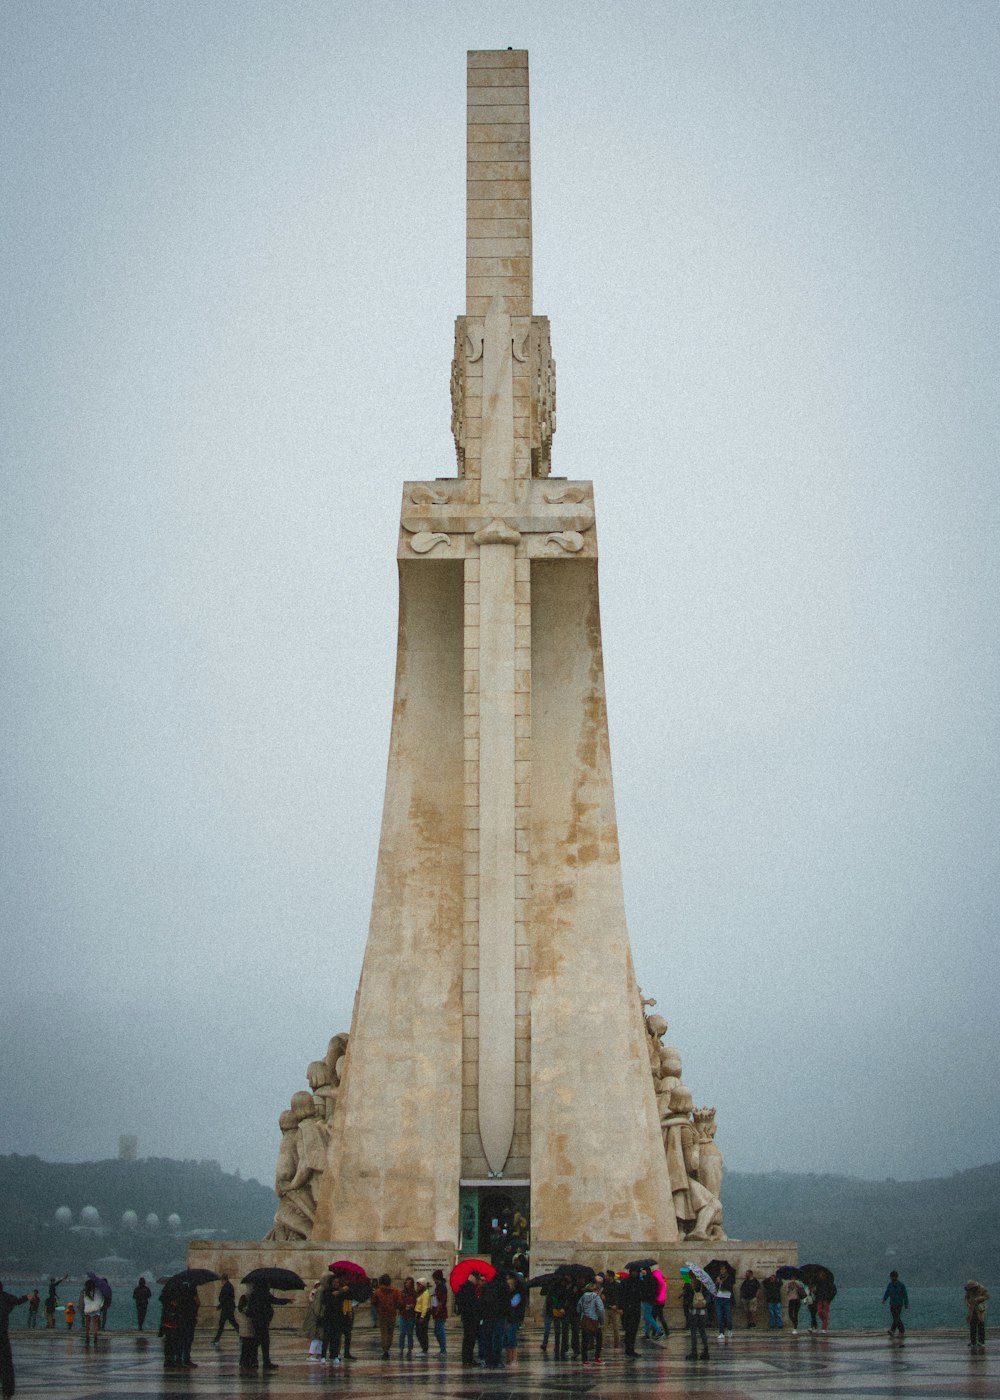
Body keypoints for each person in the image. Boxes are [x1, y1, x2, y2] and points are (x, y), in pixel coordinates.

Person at [0, 1283, 28, 1400]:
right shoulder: (5, 1297)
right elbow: (16, 1301)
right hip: (2, 1336)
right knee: (6, 1364)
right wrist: (26, 1298)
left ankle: (7, 1390)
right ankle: (7, 1391)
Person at [244, 1279, 279, 1372]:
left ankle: (253, 1361)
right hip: (262, 1321)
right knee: (264, 1342)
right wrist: (286, 1300)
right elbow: (274, 1300)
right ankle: (265, 1362)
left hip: (256, 1321)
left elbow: (250, 1308)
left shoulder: (254, 1294)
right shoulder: (264, 1294)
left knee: (257, 1341)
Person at [318, 1270, 351, 1365]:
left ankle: (336, 1355)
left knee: (336, 1338)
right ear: (331, 1283)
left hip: (338, 1318)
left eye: (337, 1282)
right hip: (328, 1318)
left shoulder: (341, 1292)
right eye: (334, 1282)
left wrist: (345, 1289)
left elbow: (350, 1294)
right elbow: (326, 1300)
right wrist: (339, 1291)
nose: (336, 1284)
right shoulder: (327, 1291)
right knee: (326, 1337)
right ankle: (323, 1356)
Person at [478, 1270, 508, 1368]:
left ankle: (488, 1359)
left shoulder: (487, 1286)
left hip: (487, 1316)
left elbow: (482, 1301)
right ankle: (497, 1360)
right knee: (498, 1338)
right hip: (500, 1316)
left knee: (488, 1338)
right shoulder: (504, 1286)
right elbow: (507, 1302)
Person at [455, 1270, 483, 1367]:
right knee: (469, 1339)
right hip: (471, 1318)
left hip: (467, 1317)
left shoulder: (464, 1286)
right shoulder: (469, 1287)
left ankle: (468, 1359)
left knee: (468, 1339)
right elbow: (472, 1304)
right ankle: (467, 1359)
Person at [372, 1274, 402, 1360]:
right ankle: (388, 1347)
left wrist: (379, 1307)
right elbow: (399, 1302)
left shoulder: (378, 1291)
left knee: (384, 1332)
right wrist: (395, 1307)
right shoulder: (396, 1291)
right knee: (390, 1332)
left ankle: (385, 1350)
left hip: (382, 1314)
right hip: (392, 1313)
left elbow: (374, 1302)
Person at [577, 1279, 605, 1366]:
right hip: (594, 1320)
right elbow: (600, 1310)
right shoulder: (596, 1297)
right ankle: (597, 1358)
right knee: (599, 1339)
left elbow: (578, 1309)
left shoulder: (582, 1297)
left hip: (585, 1321)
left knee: (585, 1341)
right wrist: (601, 1320)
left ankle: (584, 1360)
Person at [684, 1278, 710, 1361]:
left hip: (694, 1313)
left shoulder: (689, 1288)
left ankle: (694, 1352)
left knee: (693, 1332)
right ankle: (706, 1351)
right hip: (703, 1313)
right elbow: (708, 1298)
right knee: (702, 1331)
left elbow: (687, 1301)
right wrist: (704, 1302)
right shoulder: (704, 1287)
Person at [621, 1265, 643, 1358]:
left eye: (637, 1272)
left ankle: (631, 1349)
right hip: (627, 1309)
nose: (636, 1273)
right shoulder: (625, 1282)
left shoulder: (639, 1282)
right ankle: (628, 1349)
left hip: (636, 1309)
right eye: (634, 1271)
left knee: (633, 1330)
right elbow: (622, 1296)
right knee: (629, 1330)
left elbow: (643, 1293)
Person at [211, 1275, 237, 1344]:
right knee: (228, 1323)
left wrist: (219, 1306)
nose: (221, 1282)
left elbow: (225, 1298)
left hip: (227, 1308)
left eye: (221, 1280)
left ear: (223, 1279)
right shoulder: (228, 1286)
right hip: (227, 1308)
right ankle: (217, 1339)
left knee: (225, 1323)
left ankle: (217, 1339)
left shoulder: (227, 1286)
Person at [882, 1271, 908, 1339]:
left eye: (894, 1276)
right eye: (891, 1277)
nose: (892, 1278)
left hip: (899, 1304)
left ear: (896, 1277)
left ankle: (895, 1331)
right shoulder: (890, 1285)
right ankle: (900, 1331)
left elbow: (905, 1295)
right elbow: (887, 1292)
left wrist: (906, 1304)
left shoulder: (901, 1285)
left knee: (897, 1318)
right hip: (892, 1304)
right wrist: (884, 1299)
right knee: (896, 1318)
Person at [965, 1280, 988, 1350]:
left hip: (980, 1309)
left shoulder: (982, 1289)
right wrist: (968, 1303)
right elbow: (966, 1297)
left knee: (981, 1325)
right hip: (972, 1309)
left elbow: (987, 1296)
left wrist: (978, 1299)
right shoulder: (969, 1291)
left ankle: (981, 1341)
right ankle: (973, 1342)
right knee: (972, 1325)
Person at [398, 1277, 418, 1358]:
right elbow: (399, 1302)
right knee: (402, 1333)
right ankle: (401, 1349)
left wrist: (412, 1306)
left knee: (410, 1333)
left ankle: (409, 1349)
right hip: (403, 1314)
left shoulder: (414, 1293)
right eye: (406, 1283)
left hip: (411, 1315)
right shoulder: (402, 1292)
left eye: (409, 1283)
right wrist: (403, 1306)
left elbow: (417, 1303)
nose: (407, 1284)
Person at [714, 1264, 735, 1341]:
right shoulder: (718, 1277)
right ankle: (721, 1333)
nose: (721, 1271)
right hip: (719, 1298)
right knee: (719, 1316)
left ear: (726, 1270)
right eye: (720, 1269)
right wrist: (716, 1283)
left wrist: (721, 1282)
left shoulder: (730, 1277)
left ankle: (729, 1330)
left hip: (727, 1298)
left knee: (728, 1316)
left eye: (723, 1269)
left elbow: (729, 1287)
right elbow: (715, 1288)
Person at [430, 1269, 448, 1355]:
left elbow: (441, 1301)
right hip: (437, 1312)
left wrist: (437, 1311)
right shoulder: (439, 1287)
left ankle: (443, 1350)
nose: (433, 1280)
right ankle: (442, 1349)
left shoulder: (442, 1287)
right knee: (437, 1331)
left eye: (434, 1278)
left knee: (440, 1331)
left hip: (440, 1313)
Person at [81, 1280, 103, 1347]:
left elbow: (83, 1301)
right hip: (96, 1309)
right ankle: (95, 1336)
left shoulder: (85, 1292)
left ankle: (87, 1337)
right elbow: (101, 1299)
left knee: (87, 1324)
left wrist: (82, 1307)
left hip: (87, 1309)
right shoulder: (98, 1291)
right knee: (95, 1324)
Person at [414, 1278, 432, 1354]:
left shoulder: (425, 1293)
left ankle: (425, 1348)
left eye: (419, 1285)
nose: (417, 1287)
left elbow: (424, 1306)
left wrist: (422, 1317)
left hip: (423, 1314)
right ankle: (424, 1347)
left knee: (422, 1332)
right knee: (419, 1332)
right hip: (419, 1313)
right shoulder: (420, 1293)